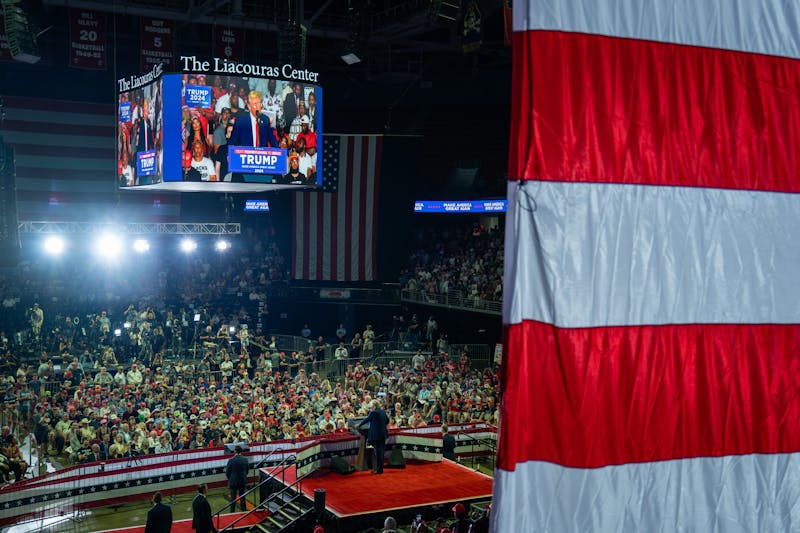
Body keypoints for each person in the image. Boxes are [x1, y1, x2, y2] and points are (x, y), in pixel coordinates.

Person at [358, 399, 389, 474]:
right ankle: (380, 469)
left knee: (378, 452)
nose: (370, 407)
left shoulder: (374, 412)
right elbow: (387, 421)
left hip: (376, 435)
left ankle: (379, 470)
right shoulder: (383, 412)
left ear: (374, 405)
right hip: (383, 434)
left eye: (371, 406)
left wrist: (358, 424)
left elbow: (367, 419)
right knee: (381, 452)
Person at [225, 445, 249, 512]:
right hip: (242, 480)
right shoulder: (245, 459)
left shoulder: (231, 460)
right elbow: (247, 470)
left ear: (235, 451)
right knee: (242, 497)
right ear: (241, 451)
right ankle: (244, 511)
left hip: (233, 481)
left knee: (233, 498)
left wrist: (230, 479)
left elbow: (227, 472)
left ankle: (232, 512)